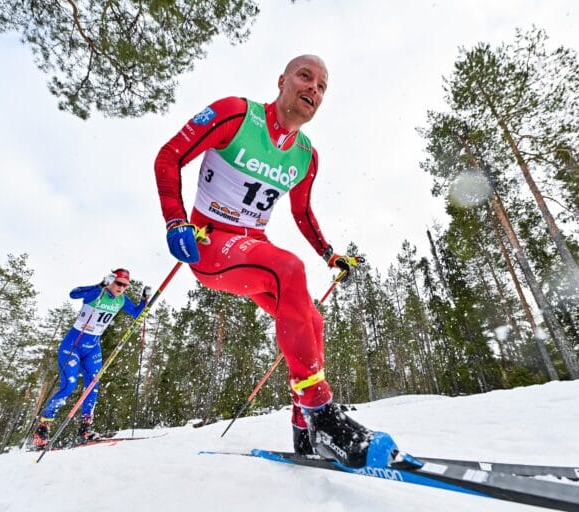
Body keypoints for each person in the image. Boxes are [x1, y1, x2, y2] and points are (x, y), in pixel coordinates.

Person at [154, 55, 398, 468]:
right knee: (288, 269)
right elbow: (169, 155)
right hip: (211, 245)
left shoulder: (305, 155)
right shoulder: (236, 114)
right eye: (306, 77)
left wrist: (329, 254)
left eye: (322, 86)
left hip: (253, 249)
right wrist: (175, 220)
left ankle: (303, 427)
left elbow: (302, 214)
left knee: (312, 320)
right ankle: (322, 413)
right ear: (282, 80)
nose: (313, 90)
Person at [33, 269, 151, 448]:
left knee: (92, 387)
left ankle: (85, 429)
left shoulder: (121, 300)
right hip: (73, 345)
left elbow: (136, 313)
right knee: (69, 385)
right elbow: (74, 294)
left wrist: (144, 299)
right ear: (111, 281)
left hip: (93, 347)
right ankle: (43, 427)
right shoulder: (98, 292)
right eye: (118, 283)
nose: (121, 288)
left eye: (125, 285)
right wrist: (99, 285)